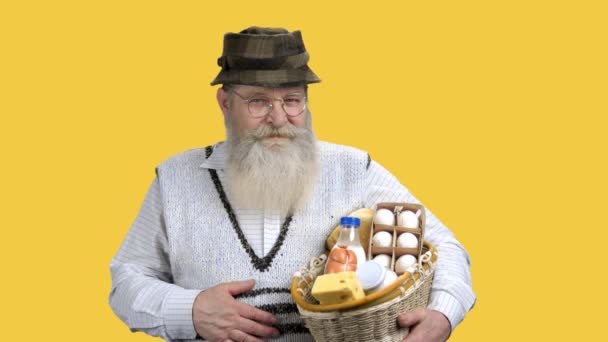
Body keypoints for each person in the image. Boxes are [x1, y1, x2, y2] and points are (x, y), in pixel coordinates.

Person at [109, 26, 476, 342]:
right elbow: (126, 282)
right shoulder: (174, 178)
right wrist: (190, 310)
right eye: (258, 102)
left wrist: (442, 314)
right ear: (224, 103)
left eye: (292, 100)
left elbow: (446, 246)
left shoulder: (354, 168)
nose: (279, 118)